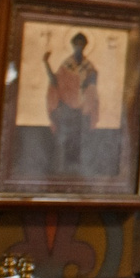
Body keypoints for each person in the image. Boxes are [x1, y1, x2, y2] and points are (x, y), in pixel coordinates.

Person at [44, 30, 100, 175]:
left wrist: (91, 82)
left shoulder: (89, 66)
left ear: (86, 46)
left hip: (82, 109)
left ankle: (75, 174)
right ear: (72, 45)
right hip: (66, 108)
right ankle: (59, 172)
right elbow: (55, 81)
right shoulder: (66, 65)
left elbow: (92, 88)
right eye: (76, 44)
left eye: (82, 45)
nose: (79, 47)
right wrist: (46, 63)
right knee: (63, 139)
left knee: (79, 141)